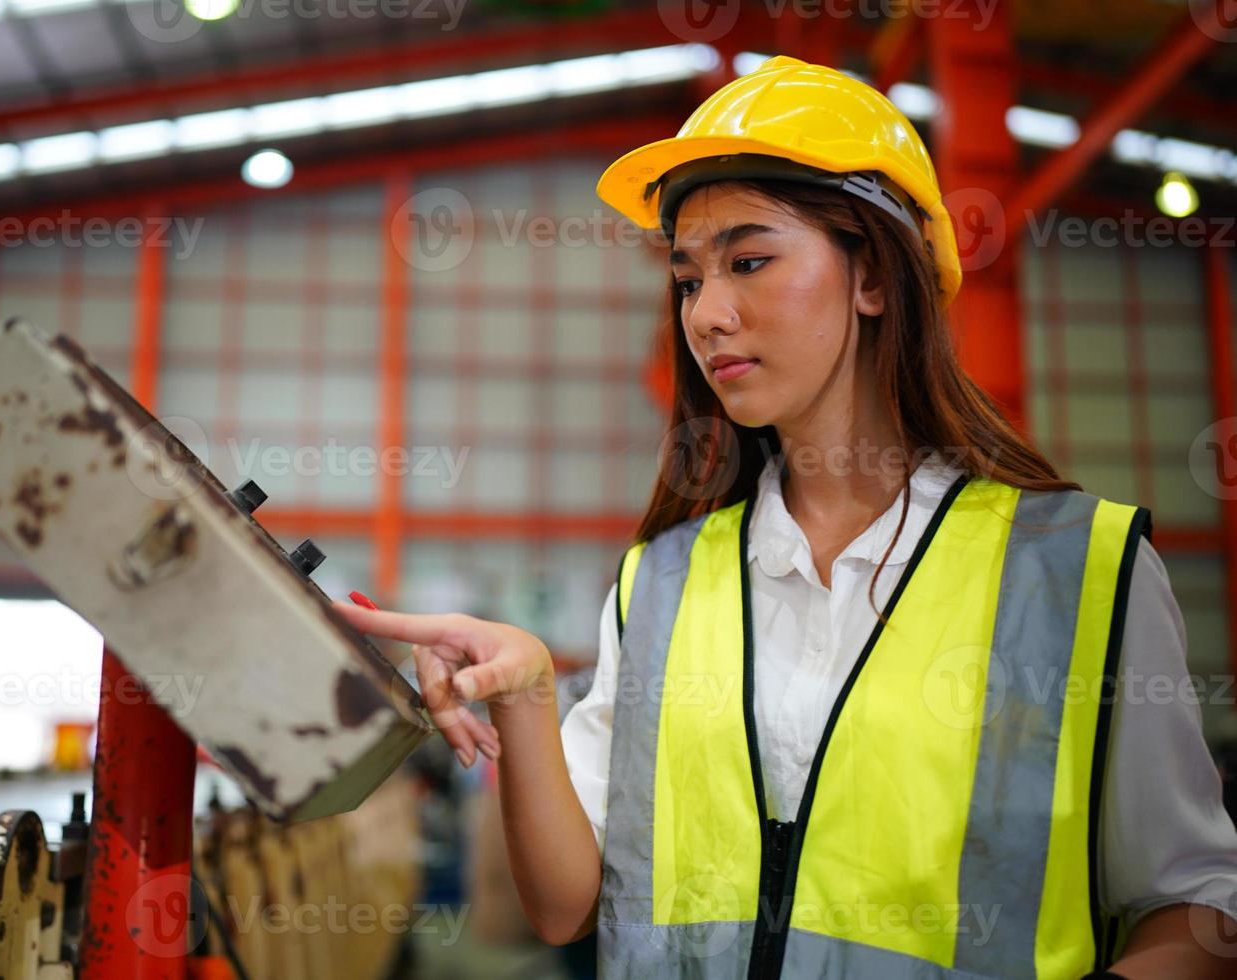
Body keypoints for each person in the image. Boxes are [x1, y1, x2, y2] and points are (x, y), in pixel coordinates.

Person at [332, 56, 1237, 978]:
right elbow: (565, 906)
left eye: (750, 262)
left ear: (874, 276)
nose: (707, 314)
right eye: (687, 279)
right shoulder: (663, 582)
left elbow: (1198, 905)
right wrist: (526, 697)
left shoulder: (1076, 570)